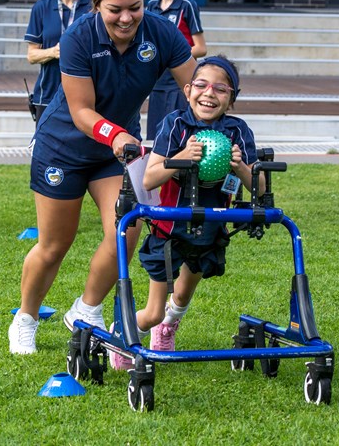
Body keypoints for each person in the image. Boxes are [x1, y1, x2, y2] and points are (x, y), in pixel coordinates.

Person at [8, 0, 197, 354]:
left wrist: (214, 124)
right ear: (97, 6)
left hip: (117, 153)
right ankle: (25, 317)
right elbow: (81, 111)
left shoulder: (162, 33)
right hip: (64, 147)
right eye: (115, 10)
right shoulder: (79, 37)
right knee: (55, 244)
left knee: (126, 231)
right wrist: (115, 134)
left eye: (135, 7)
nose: (127, 18)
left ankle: (85, 309)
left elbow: (195, 89)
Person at [106, 56, 265, 370]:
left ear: (232, 98)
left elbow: (260, 186)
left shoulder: (238, 130)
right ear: (189, 89)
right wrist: (181, 157)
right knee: (153, 310)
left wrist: (240, 166)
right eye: (202, 85)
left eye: (221, 89)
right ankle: (125, 333)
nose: (210, 94)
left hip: (210, 224)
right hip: (170, 228)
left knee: (181, 297)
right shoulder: (175, 124)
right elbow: (149, 177)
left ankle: (168, 326)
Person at [24, 0, 94, 122]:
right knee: (45, 148)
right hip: (47, 95)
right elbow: (32, 55)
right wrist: (53, 52)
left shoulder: (94, 8)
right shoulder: (41, 8)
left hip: (85, 94)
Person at [145, 0, 207, 140]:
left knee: (178, 134)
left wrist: (172, 56)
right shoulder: (151, 6)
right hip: (157, 82)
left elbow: (201, 48)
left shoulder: (187, 5)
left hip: (179, 83)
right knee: (157, 136)